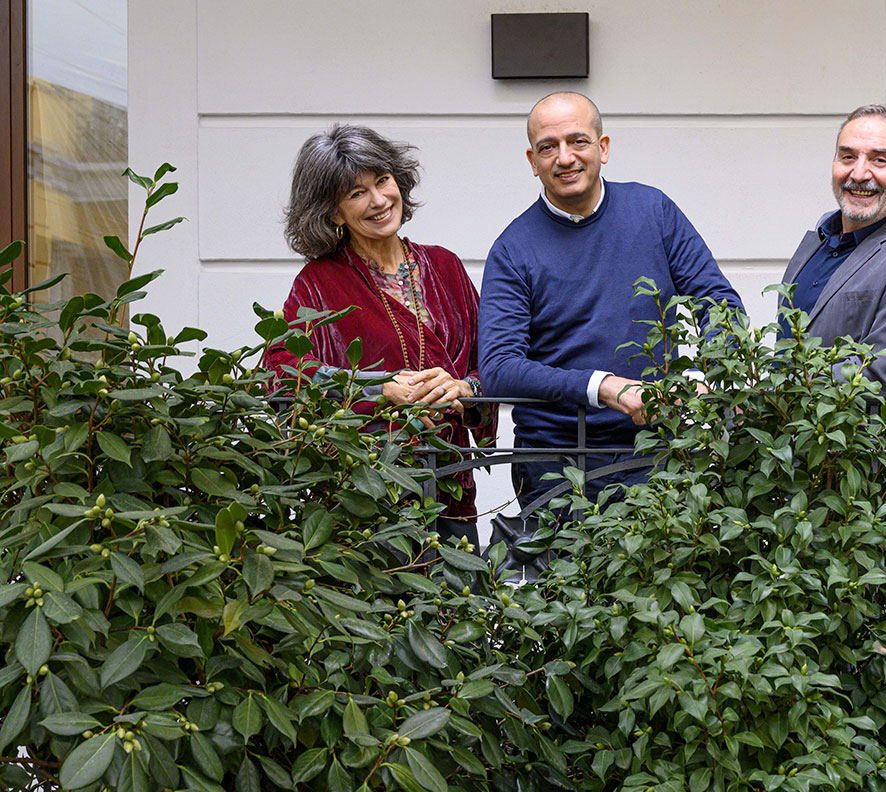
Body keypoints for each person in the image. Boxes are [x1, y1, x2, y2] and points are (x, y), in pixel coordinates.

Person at [479, 92, 744, 510]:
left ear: (603, 148)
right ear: (533, 162)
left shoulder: (653, 211)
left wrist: (705, 374)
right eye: (548, 147)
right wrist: (602, 387)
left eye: (578, 141)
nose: (565, 158)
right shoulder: (513, 249)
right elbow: (498, 368)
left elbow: (717, 301)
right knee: (564, 576)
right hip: (557, 461)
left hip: (656, 446)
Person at [267, 124, 495, 547]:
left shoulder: (445, 267)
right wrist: (379, 390)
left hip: (450, 486)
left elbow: (494, 363)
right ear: (334, 212)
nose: (378, 200)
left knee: (462, 605)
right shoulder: (319, 283)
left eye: (383, 181)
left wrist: (465, 388)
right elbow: (281, 373)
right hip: (369, 495)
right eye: (356, 193)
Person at [779, 104, 886, 521]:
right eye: (848, 156)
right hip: (801, 480)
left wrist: (768, 399)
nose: (859, 173)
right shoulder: (818, 243)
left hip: (874, 490)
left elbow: (876, 373)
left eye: (880, 159)